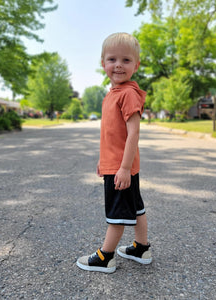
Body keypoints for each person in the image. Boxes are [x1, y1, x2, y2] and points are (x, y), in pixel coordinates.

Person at [76, 32, 152, 273]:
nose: (118, 64)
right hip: (119, 166)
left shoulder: (128, 94)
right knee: (135, 207)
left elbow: (133, 134)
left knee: (117, 214)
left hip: (123, 169)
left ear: (136, 65)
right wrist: (104, 160)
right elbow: (111, 134)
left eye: (126, 60)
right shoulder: (113, 94)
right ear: (103, 63)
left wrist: (123, 168)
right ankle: (141, 247)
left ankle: (105, 256)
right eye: (112, 59)